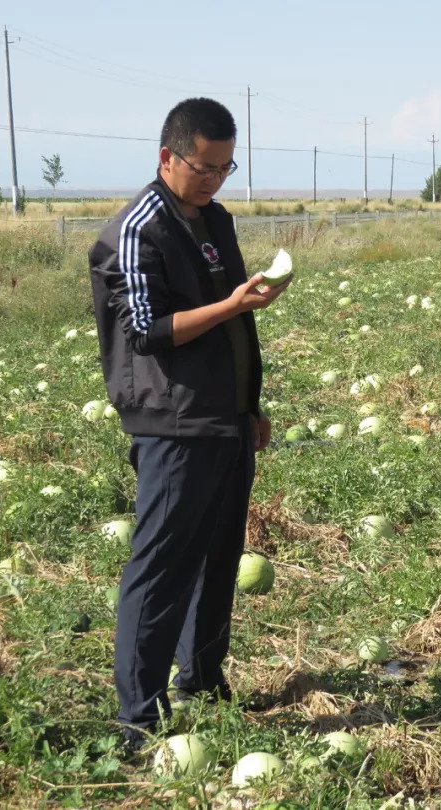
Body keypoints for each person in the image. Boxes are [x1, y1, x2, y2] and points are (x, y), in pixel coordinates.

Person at [88, 97, 290, 751]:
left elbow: (233, 321)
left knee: (218, 557)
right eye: (204, 167)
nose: (213, 180)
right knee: (162, 566)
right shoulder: (139, 229)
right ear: (167, 156)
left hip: (224, 416)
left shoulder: (213, 220)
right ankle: (135, 720)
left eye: (226, 169)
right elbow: (148, 331)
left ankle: (201, 680)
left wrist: (250, 403)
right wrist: (232, 303)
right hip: (173, 421)